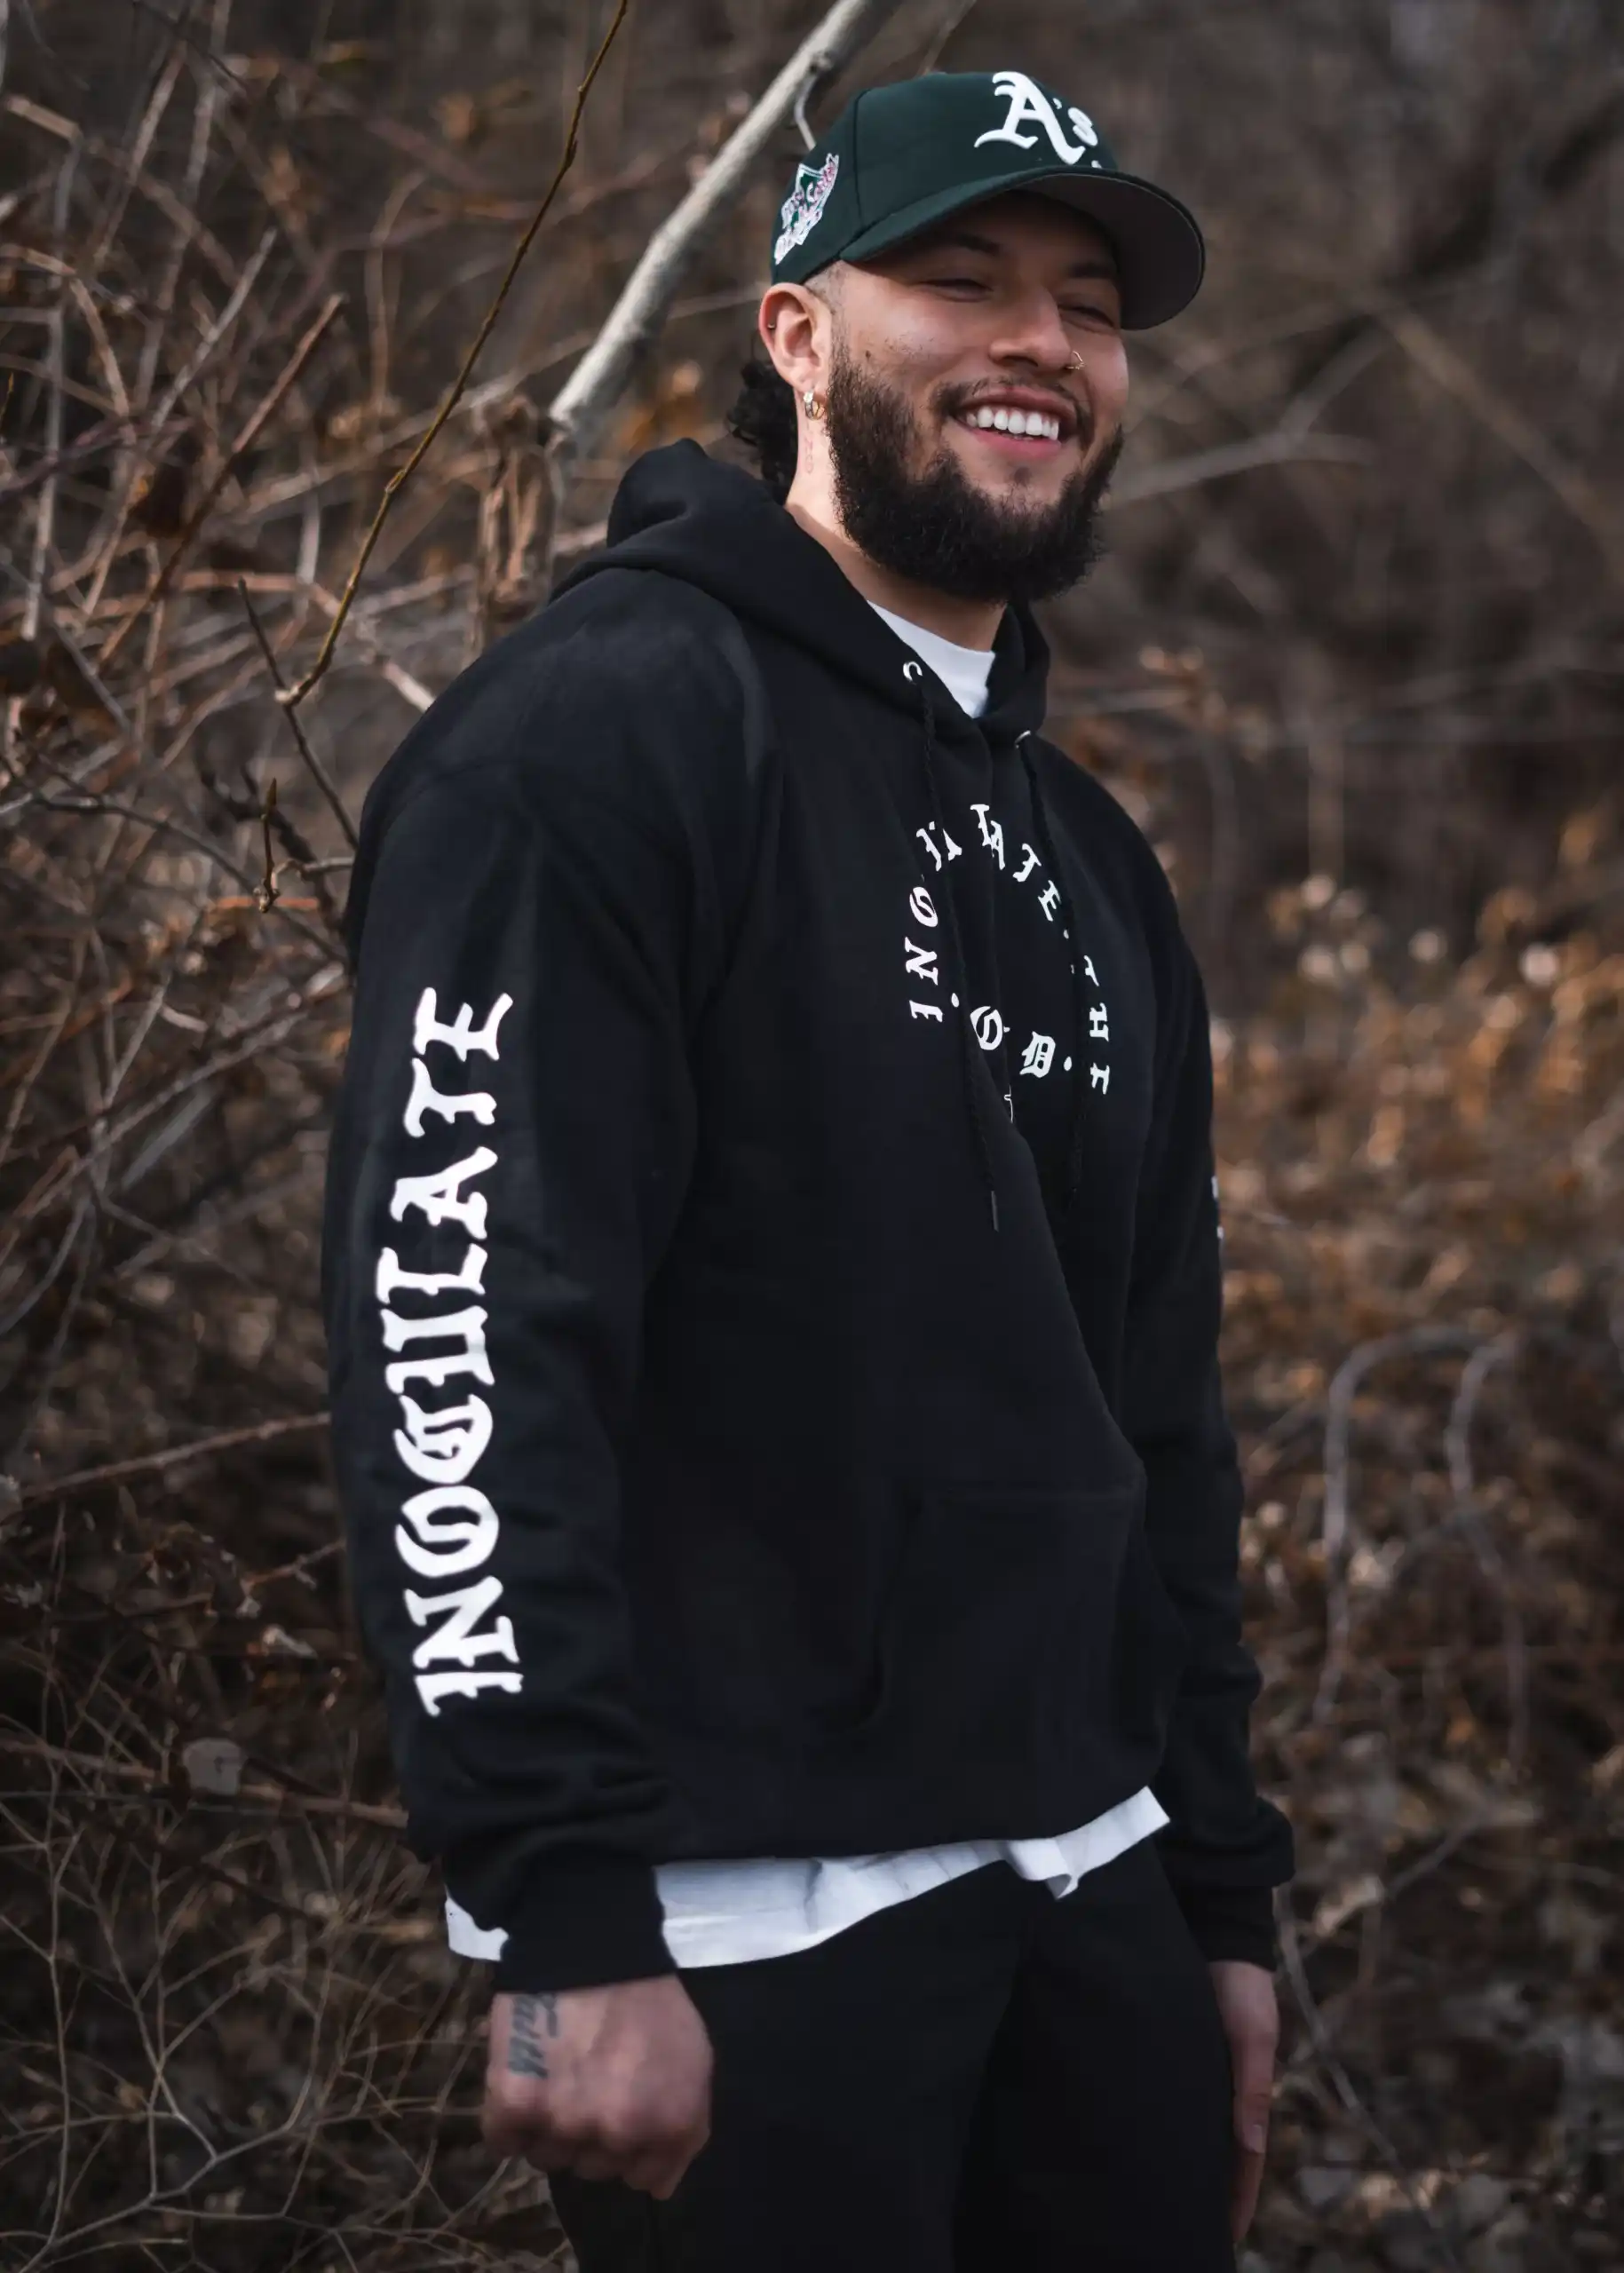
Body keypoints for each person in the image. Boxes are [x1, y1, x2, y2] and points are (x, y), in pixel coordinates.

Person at [323, 66, 1295, 2273]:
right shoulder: (594, 741)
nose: (1037, 341)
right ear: (792, 336)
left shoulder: (1089, 854)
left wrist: (1214, 1891)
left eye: (1085, 301)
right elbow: (463, 1337)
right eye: (957, 278)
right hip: (746, 1933)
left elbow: (1159, 1409)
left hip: (1094, 1889)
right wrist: (561, 1905)